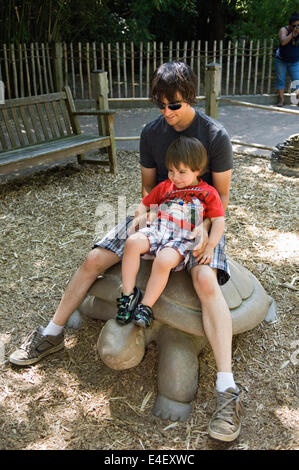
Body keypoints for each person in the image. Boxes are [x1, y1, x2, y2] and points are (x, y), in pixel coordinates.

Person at [10, 61, 243, 442]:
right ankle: (51, 334)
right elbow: (149, 191)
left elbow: (222, 201)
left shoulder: (215, 135)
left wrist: (206, 233)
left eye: (175, 105)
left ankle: (227, 388)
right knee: (94, 258)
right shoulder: (152, 132)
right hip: (159, 211)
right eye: (161, 105)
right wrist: (139, 218)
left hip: (202, 218)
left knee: (204, 278)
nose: (167, 113)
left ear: (191, 98)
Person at [116, 136, 225, 329]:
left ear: (197, 170)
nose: (175, 177)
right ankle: (128, 295)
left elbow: (218, 221)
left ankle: (146, 306)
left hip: (181, 238)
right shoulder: (166, 186)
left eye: (182, 172)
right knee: (132, 242)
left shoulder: (208, 193)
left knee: (164, 260)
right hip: (158, 230)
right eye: (171, 171)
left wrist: (210, 247)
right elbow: (144, 203)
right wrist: (139, 217)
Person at [275, 12, 299, 106]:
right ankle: (281, 100)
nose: (297, 27)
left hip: (294, 61)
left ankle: (297, 101)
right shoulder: (283, 30)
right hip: (281, 60)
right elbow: (283, 42)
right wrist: (293, 34)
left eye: (298, 25)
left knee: (297, 81)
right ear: (290, 25)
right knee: (281, 80)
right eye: (294, 25)